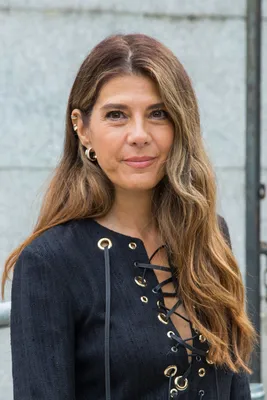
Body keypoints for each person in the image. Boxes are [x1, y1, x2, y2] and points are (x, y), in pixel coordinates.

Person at [1, 33, 256, 400]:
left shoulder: (209, 234)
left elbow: (236, 384)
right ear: (83, 128)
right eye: (117, 115)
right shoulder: (49, 263)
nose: (139, 135)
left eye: (158, 113)